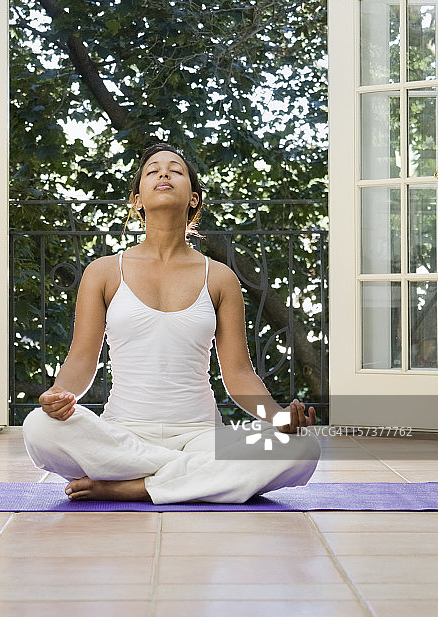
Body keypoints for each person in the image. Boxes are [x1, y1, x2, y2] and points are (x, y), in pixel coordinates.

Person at [22, 143, 321, 503]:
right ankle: (190, 476)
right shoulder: (103, 272)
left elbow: (239, 374)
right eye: (153, 171)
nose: (164, 173)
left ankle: (136, 486)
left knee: (303, 448)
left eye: (176, 170)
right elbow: (82, 359)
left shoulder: (219, 277)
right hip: (124, 435)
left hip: (202, 436)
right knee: (38, 427)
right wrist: (57, 395)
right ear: (137, 200)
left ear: (194, 198)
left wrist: (278, 419)